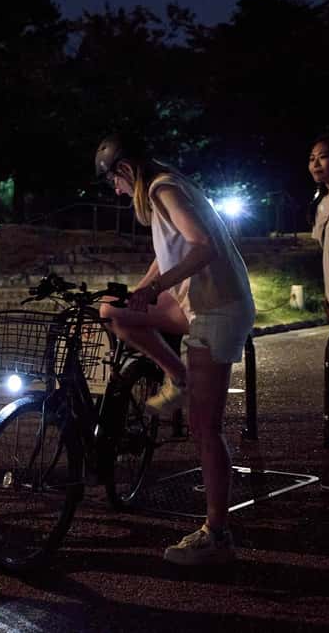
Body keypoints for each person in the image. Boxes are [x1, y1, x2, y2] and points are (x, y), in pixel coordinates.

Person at [94, 133, 256, 566]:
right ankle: (178, 376)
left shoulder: (162, 189)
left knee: (205, 427)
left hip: (216, 308)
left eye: (114, 181)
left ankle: (216, 535)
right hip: (197, 303)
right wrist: (144, 288)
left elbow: (203, 245)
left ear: (124, 169)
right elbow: (169, 254)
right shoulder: (166, 188)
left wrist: (158, 288)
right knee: (112, 310)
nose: (117, 191)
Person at [309, 132, 329, 491]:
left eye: (323, 156)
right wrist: (328, 297)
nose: (316, 164)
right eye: (311, 158)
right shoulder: (322, 203)